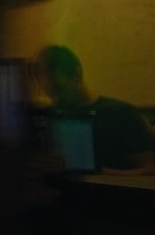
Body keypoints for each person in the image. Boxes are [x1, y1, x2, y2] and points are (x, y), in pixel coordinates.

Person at [35, 44, 155, 175]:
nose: (55, 99)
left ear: (76, 74)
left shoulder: (120, 113)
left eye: (58, 89)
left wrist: (105, 174)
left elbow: (150, 169)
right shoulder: (47, 117)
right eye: (49, 93)